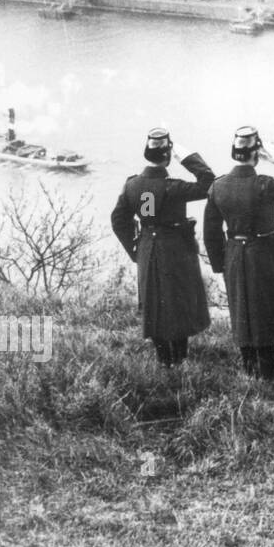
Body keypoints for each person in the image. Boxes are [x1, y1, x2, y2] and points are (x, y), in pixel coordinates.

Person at [203, 126, 274, 382]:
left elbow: (211, 232)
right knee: (266, 314)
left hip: (233, 255)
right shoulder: (264, 184)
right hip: (264, 255)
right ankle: (268, 376)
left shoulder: (218, 186)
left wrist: (221, 265)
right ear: (257, 154)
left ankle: (249, 372)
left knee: (242, 312)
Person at [110, 128, 214, 368]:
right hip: (175, 248)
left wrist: (134, 249)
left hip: (147, 247)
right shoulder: (173, 187)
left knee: (153, 301)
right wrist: (188, 158)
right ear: (167, 156)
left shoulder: (131, 185)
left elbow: (118, 220)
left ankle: (163, 359)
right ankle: (178, 358)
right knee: (178, 302)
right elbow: (209, 184)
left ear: (147, 154)